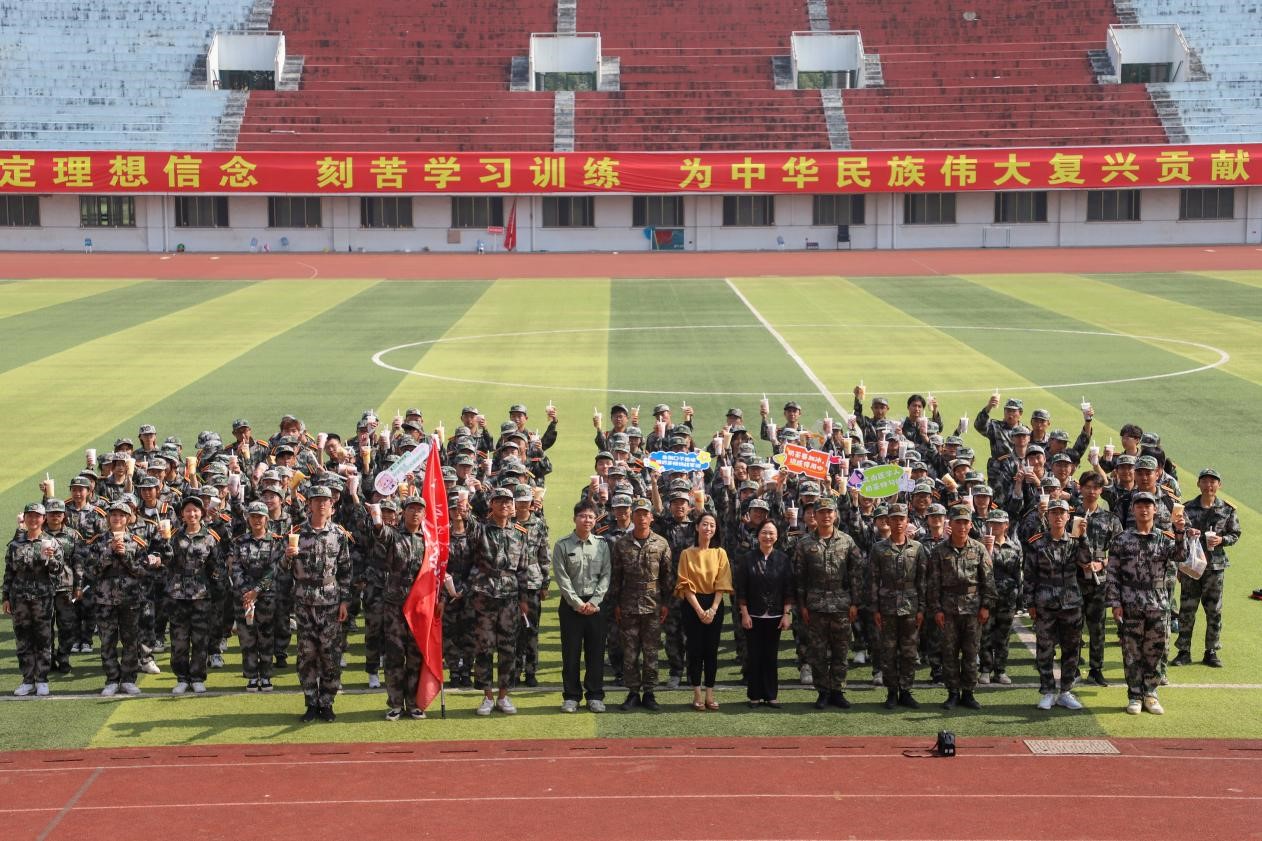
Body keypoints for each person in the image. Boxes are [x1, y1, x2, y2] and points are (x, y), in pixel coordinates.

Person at [1105, 491, 1191, 715]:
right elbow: (1112, 573)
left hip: (1157, 602)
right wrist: (1115, 602)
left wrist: (1180, 531)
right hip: (1130, 602)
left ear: (1155, 510)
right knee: (1131, 651)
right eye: (1140, 506)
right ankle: (1134, 695)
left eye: (1148, 506)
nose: (1144, 510)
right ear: (1133, 510)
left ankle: (1150, 693)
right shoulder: (1121, 539)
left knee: (1155, 650)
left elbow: (1181, 556)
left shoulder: (1165, 537)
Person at [456, 486, 529, 716]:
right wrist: (463, 507)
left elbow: (523, 568)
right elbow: (468, 521)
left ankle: (504, 696)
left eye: (508, 502)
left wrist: (524, 599)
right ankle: (487, 696)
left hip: (509, 596)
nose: (504, 505)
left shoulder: (520, 533)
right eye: (499, 501)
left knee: (508, 647)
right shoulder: (480, 529)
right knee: (484, 647)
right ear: (492, 505)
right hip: (484, 594)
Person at [282, 485, 352, 722]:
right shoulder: (296, 533)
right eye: (317, 500)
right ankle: (311, 702)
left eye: (326, 500)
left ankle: (327, 702)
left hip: (331, 602)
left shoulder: (339, 534)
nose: (321, 504)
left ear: (332, 505)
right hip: (304, 603)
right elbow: (281, 570)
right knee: (307, 655)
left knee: (330, 655)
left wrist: (345, 601)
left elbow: (346, 570)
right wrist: (287, 557)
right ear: (309, 504)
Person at [793, 497, 863, 710]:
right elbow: (799, 578)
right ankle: (823, 692)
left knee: (841, 650)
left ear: (835, 514)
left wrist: (855, 603)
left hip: (841, 605)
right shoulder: (804, 543)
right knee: (818, 652)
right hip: (815, 605)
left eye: (829, 512)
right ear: (814, 515)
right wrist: (802, 606)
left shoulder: (847, 541)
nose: (826, 515)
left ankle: (837, 691)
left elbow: (855, 574)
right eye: (821, 512)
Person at [1023, 500, 1090, 711]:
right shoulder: (1036, 542)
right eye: (1054, 513)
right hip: (1045, 601)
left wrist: (1084, 537)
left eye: (1062, 513)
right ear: (1048, 516)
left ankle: (1066, 691)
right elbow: (1029, 574)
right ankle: (1048, 691)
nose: (1058, 516)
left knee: (1071, 649)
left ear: (1068, 517)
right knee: (1045, 649)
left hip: (1071, 602)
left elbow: (1087, 561)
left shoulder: (1075, 541)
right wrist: (1029, 602)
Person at [927, 505, 994, 711]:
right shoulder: (939, 551)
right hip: (948, 610)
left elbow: (988, 580)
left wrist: (986, 606)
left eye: (966, 522)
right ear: (951, 523)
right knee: (949, 653)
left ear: (971, 525)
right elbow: (933, 584)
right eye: (958, 522)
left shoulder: (979, 549)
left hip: (973, 609)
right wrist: (937, 609)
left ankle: (969, 693)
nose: (962, 526)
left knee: (971, 652)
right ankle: (953, 693)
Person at [610, 498, 672, 711]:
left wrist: (666, 603)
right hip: (628, 603)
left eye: (646, 514)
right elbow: (616, 577)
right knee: (630, 651)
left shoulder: (661, 543)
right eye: (638, 513)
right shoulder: (621, 544)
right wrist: (616, 603)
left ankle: (650, 692)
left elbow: (667, 576)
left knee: (651, 651)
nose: (642, 517)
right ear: (632, 516)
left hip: (653, 604)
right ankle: (633, 692)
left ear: (651, 517)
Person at [1173, 468, 1240, 668]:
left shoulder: (1227, 509)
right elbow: (1177, 529)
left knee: (1214, 611)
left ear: (1219, 485)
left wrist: (1222, 540)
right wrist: (1187, 532)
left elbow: (1235, 533)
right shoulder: (1186, 508)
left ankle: (1211, 651)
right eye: (1205, 481)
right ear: (1198, 484)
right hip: (1191, 566)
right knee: (1187, 609)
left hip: (1214, 567)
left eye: (1213, 482)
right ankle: (1183, 651)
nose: (1209, 485)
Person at [373, 495, 429, 721]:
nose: (415, 513)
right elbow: (380, 532)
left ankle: (414, 702)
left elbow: (437, 570)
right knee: (395, 655)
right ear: (402, 512)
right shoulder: (393, 535)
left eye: (419, 510)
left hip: (419, 606)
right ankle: (396, 703)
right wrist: (376, 517)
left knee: (415, 656)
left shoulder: (429, 540)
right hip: (395, 604)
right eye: (411, 509)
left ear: (424, 514)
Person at [552, 500, 611, 713]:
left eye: (591, 517)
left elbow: (606, 575)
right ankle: (571, 696)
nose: (587, 520)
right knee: (571, 653)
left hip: (596, 606)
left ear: (595, 521)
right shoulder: (562, 545)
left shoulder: (602, 544)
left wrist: (594, 602)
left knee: (596, 652)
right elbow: (561, 578)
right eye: (583, 516)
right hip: (571, 606)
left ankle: (595, 695)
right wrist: (577, 603)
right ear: (574, 518)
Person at [866, 503, 926, 710]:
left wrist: (921, 608)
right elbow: (873, 580)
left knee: (909, 652)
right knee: (888, 651)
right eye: (894, 519)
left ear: (907, 521)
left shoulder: (917, 548)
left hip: (910, 605)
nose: (898, 522)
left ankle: (906, 691)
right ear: (888, 521)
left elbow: (922, 581)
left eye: (902, 519)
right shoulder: (878, 548)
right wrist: (875, 608)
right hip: (887, 606)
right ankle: (892, 692)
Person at [4, 503, 68, 697]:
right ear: (25, 518)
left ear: (43, 519)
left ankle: (41, 679)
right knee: (23, 639)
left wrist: (51, 559)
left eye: (37, 516)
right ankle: (27, 680)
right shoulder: (16, 543)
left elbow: (59, 571)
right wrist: (5, 597)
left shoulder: (51, 542)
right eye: (30, 516)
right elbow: (9, 572)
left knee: (43, 639)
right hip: (19, 598)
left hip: (42, 598)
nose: (33, 520)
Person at [162, 496, 223, 695]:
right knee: (179, 640)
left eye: (195, 510)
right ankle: (182, 678)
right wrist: (162, 544)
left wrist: (217, 590)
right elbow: (165, 562)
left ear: (202, 513)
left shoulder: (210, 537)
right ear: (182, 514)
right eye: (188, 510)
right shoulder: (173, 536)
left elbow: (217, 566)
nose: (192, 514)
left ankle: (197, 677)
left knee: (200, 639)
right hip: (177, 594)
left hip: (201, 595)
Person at [674, 511, 734, 711]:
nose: (708, 528)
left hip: (714, 604)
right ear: (697, 527)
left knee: (711, 650)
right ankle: (697, 693)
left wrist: (713, 609)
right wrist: (700, 611)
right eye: (705, 524)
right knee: (694, 650)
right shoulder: (686, 553)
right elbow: (684, 584)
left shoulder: (720, 553)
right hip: (692, 605)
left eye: (712, 525)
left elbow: (723, 582)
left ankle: (710, 693)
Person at [734, 520, 792, 707]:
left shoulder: (783, 559)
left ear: (777, 536)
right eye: (764, 532)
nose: (768, 536)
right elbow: (741, 589)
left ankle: (771, 695)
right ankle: (754, 695)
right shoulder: (747, 558)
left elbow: (788, 588)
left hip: (775, 615)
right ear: (758, 535)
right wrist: (744, 613)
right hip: (753, 615)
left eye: (771, 533)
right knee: (754, 656)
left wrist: (786, 614)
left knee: (770, 657)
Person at [229, 501, 283, 692]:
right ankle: (251, 676)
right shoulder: (239, 542)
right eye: (253, 516)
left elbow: (274, 569)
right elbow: (235, 568)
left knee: (266, 636)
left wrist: (256, 591)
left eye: (260, 517)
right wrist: (247, 593)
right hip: (244, 598)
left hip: (266, 596)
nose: (256, 520)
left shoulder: (275, 541)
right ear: (248, 519)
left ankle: (266, 675)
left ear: (266, 519)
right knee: (247, 638)